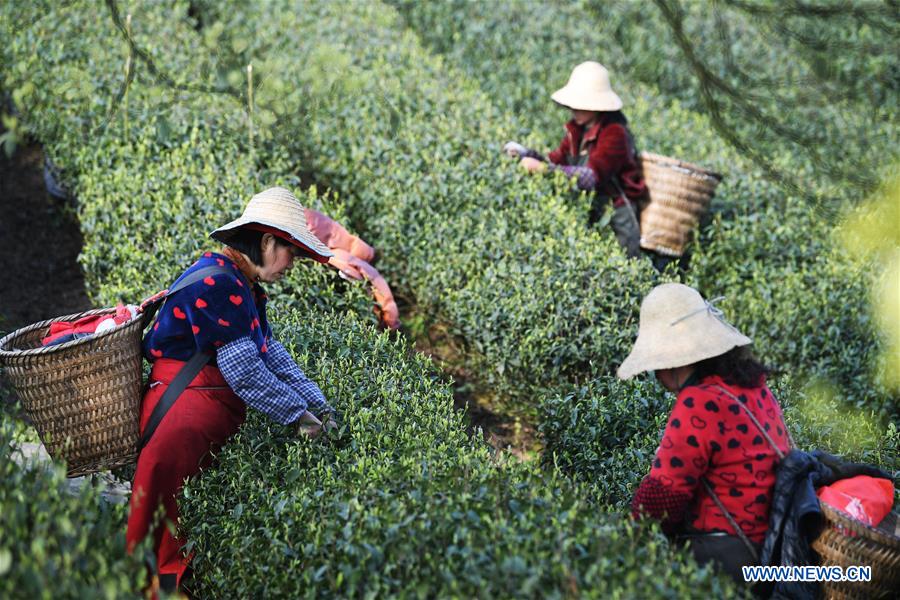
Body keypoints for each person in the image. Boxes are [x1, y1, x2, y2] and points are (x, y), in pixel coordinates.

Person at [126, 187, 337, 593]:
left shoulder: (243, 285)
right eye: (290, 251)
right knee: (164, 534)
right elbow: (246, 373)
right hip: (181, 417)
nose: (292, 264)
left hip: (198, 408)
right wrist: (300, 416)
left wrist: (318, 402)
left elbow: (270, 354)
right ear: (266, 241)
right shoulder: (221, 284)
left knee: (179, 522)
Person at [618, 283, 791, 587]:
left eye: (658, 365)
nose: (656, 375)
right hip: (775, 546)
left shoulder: (699, 401)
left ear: (677, 361)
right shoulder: (754, 387)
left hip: (730, 554)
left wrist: (626, 535)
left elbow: (663, 498)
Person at [503, 61, 647, 258]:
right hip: (592, 211)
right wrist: (526, 153)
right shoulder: (576, 130)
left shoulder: (615, 134)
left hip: (617, 215)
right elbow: (556, 160)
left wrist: (542, 170)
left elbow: (591, 177)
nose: (574, 109)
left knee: (626, 263)